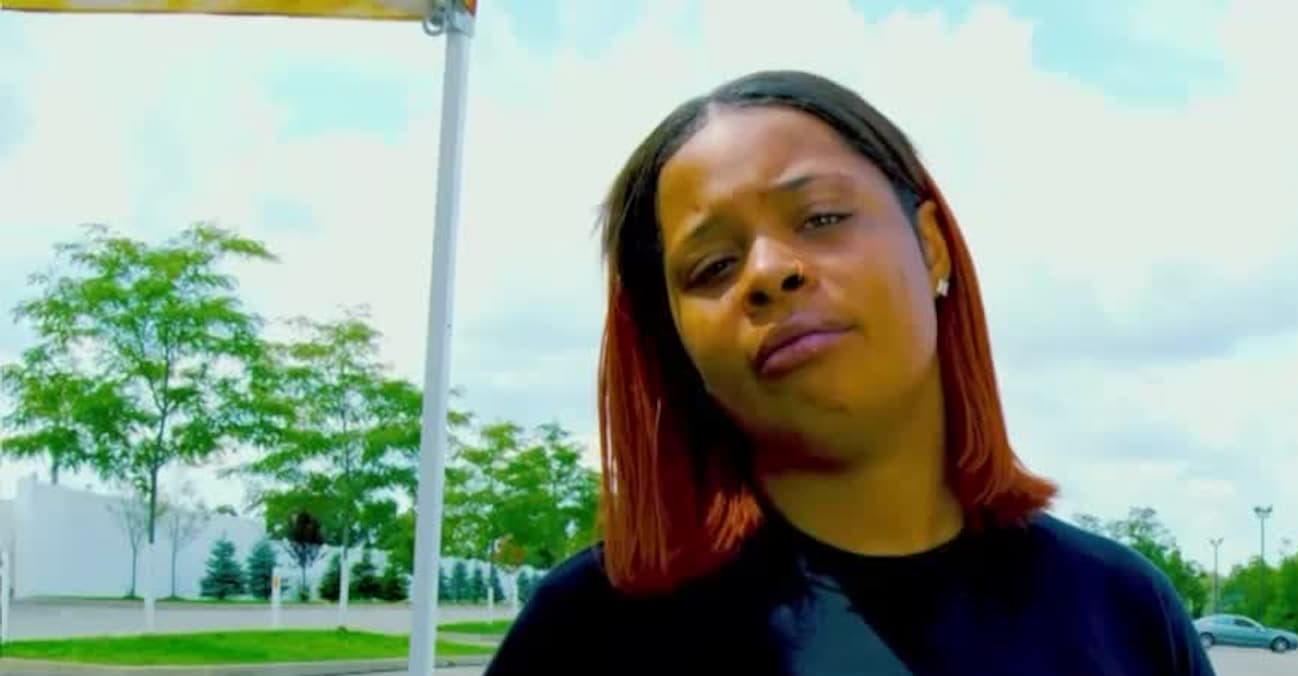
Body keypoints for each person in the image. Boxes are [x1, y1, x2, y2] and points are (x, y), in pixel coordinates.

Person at [486, 70, 1214, 676]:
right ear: (674, 341)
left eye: (822, 218)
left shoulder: (1126, 614)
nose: (769, 272)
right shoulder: (588, 635)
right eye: (712, 266)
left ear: (931, 246)